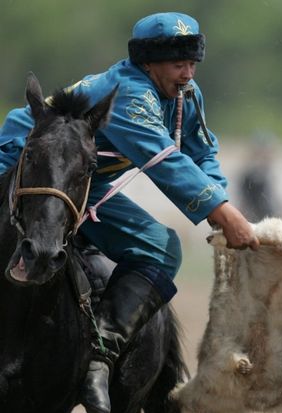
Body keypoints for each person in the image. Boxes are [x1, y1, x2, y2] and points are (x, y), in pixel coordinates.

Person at [0, 12, 258, 413]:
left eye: (193, 63)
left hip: (83, 183)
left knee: (162, 247)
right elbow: (166, 161)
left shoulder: (185, 96)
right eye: (178, 65)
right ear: (148, 64)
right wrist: (227, 216)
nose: (188, 73)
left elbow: (202, 153)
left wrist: (218, 206)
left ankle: (99, 356)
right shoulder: (130, 94)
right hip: (30, 167)